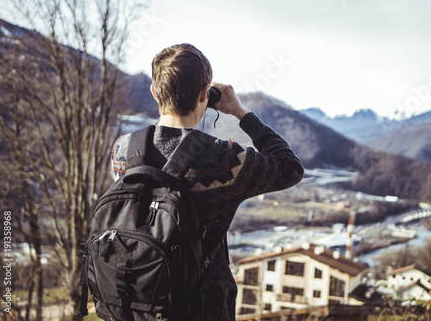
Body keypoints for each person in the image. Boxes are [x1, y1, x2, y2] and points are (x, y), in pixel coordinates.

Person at [111, 43, 304, 320]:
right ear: (205, 94)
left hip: (135, 302)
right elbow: (290, 167)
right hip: (202, 308)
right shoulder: (222, 159)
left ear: (155, 92)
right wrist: (241, 112)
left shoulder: (123, 151)